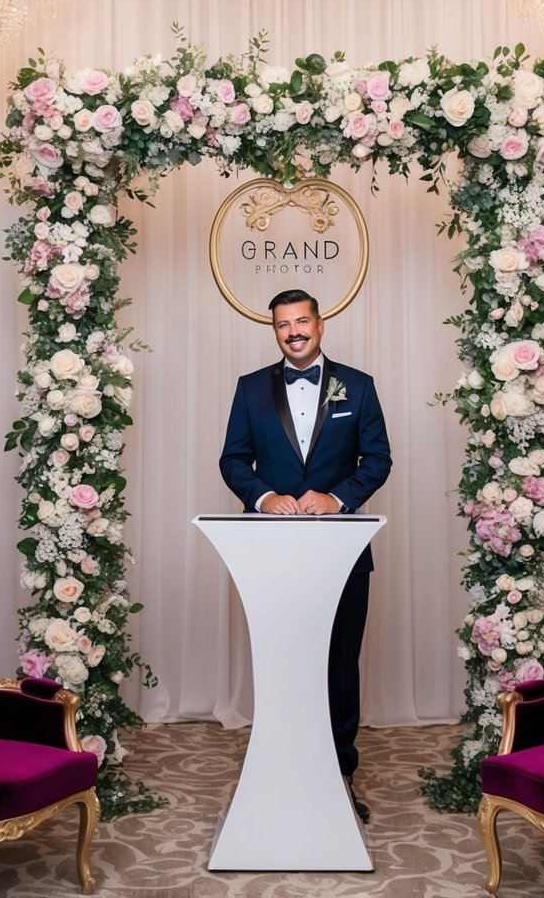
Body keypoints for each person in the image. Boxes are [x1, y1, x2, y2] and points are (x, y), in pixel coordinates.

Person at [219, 288, 392, 820]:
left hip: (340, 554)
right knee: (283, 663)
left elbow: (378, 459)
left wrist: (337, 498)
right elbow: (232, 460)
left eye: (301, 322)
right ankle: (277, 775)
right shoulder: (250, 389)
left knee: (340, 663)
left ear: (320, 325)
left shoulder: (357, 387)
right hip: (268, 555)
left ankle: (340, 779)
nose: (293, 331)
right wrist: (264, 497)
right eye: (282, 325)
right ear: (274, 331)